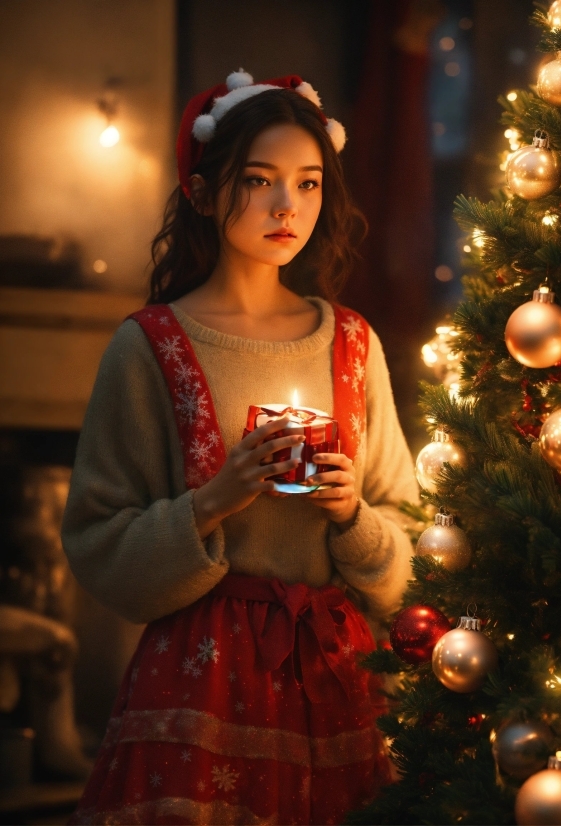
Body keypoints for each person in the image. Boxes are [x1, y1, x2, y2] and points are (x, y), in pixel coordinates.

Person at [62, 71, 418, 826]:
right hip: (199, 687)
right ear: (201, 192)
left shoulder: (352, 343)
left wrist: (353, 514)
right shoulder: (149, 347)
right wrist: (216, 501)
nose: (287, 206)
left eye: (308, 182)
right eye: (258, 181)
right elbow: (97, 540)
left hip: (336, 680)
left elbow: (408, 536)